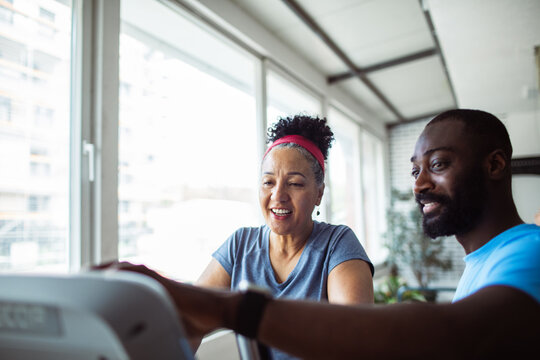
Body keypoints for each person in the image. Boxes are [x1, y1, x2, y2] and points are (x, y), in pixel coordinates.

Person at [100, 109, 540, 358]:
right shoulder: (484, 262)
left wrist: (232, 308)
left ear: (318, 193)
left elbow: (447, 334)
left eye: (438, 165)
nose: (419, 184)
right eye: (415, 170)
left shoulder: (531, 251)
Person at [196, 115, 374, 358]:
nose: (278, 195)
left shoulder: (337, 244)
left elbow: (354, 339)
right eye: (268, 182)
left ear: (319, 194)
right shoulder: (240, 246)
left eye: (295, 184)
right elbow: (191, 318)